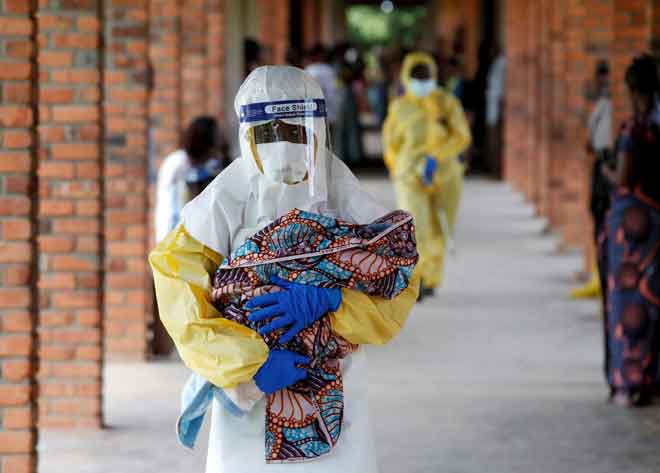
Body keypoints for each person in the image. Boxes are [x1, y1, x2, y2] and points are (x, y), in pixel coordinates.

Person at [149, 65, 419, 472]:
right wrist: (249, 363)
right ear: (247, 136)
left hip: (334, 385)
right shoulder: (225, 200)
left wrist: (335, 302)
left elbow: (398, 278)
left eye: (296, 133)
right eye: (269, 134)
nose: (283, 149)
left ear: (317, 131)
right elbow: (180, 296)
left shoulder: (343, 193)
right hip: (251, 393)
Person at [383, 52, 471, 298]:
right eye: (416, 77)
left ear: (434, 76)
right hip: (410, 176)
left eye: (426, 77)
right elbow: (391, 144)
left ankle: (432, 277)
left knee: (441, 227)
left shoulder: (447, 103)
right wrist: (399, 167)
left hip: (446, 174)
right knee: (416, 227)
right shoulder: (399, 107)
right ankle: (417, 280)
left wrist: (437, 156)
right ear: (406, 78)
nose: (422, 82)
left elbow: (462, 136)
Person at [600, 54, 660, 407]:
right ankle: (653, 378)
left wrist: (604, 169)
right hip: (656, 231)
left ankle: (629, 381)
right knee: (654, 304)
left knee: (627, 307)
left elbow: (623, 177)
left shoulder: (632, 130)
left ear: (631, 89)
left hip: (631, 238)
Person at [571, 60, 613, 299]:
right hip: (602, 167)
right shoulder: (602, 106)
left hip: (608, 167)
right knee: (599, 222)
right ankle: (600, 275)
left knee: (606, 224)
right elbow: (589, 142)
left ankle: (604, 277)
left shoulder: (609, 107)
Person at [154, 116, 225, 244]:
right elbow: (170, 209)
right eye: (215, 141)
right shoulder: (177, 164)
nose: (217, 146)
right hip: (173, 238)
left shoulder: (207, 166)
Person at [305, 43, 339, 130]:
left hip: (311, 113)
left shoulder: (308, 70)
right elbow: (333, 92)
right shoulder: (328, 70)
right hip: (328, 112)